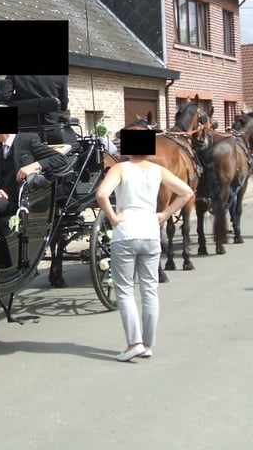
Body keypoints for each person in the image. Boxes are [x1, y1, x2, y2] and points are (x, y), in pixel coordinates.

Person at [95, 140, 194, 362]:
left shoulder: (120, 169)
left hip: (126, 233)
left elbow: (102, 194)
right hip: (150, 233)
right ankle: (148, 344)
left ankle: (134, 343)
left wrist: (113, 218)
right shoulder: (157, 170)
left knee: (125, 291)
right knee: (150, 290)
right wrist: (165, 214)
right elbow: (186, 192)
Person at [0, 131, 68, 218]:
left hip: (26, 199)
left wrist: (34, 166)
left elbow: (61, 159)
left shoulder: (28, 140)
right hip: (5, 200)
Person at [7, 75, 74, 144]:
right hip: (52, 128)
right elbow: (63, 105)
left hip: (22, 129)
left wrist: (23, 103)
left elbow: (5, 97)